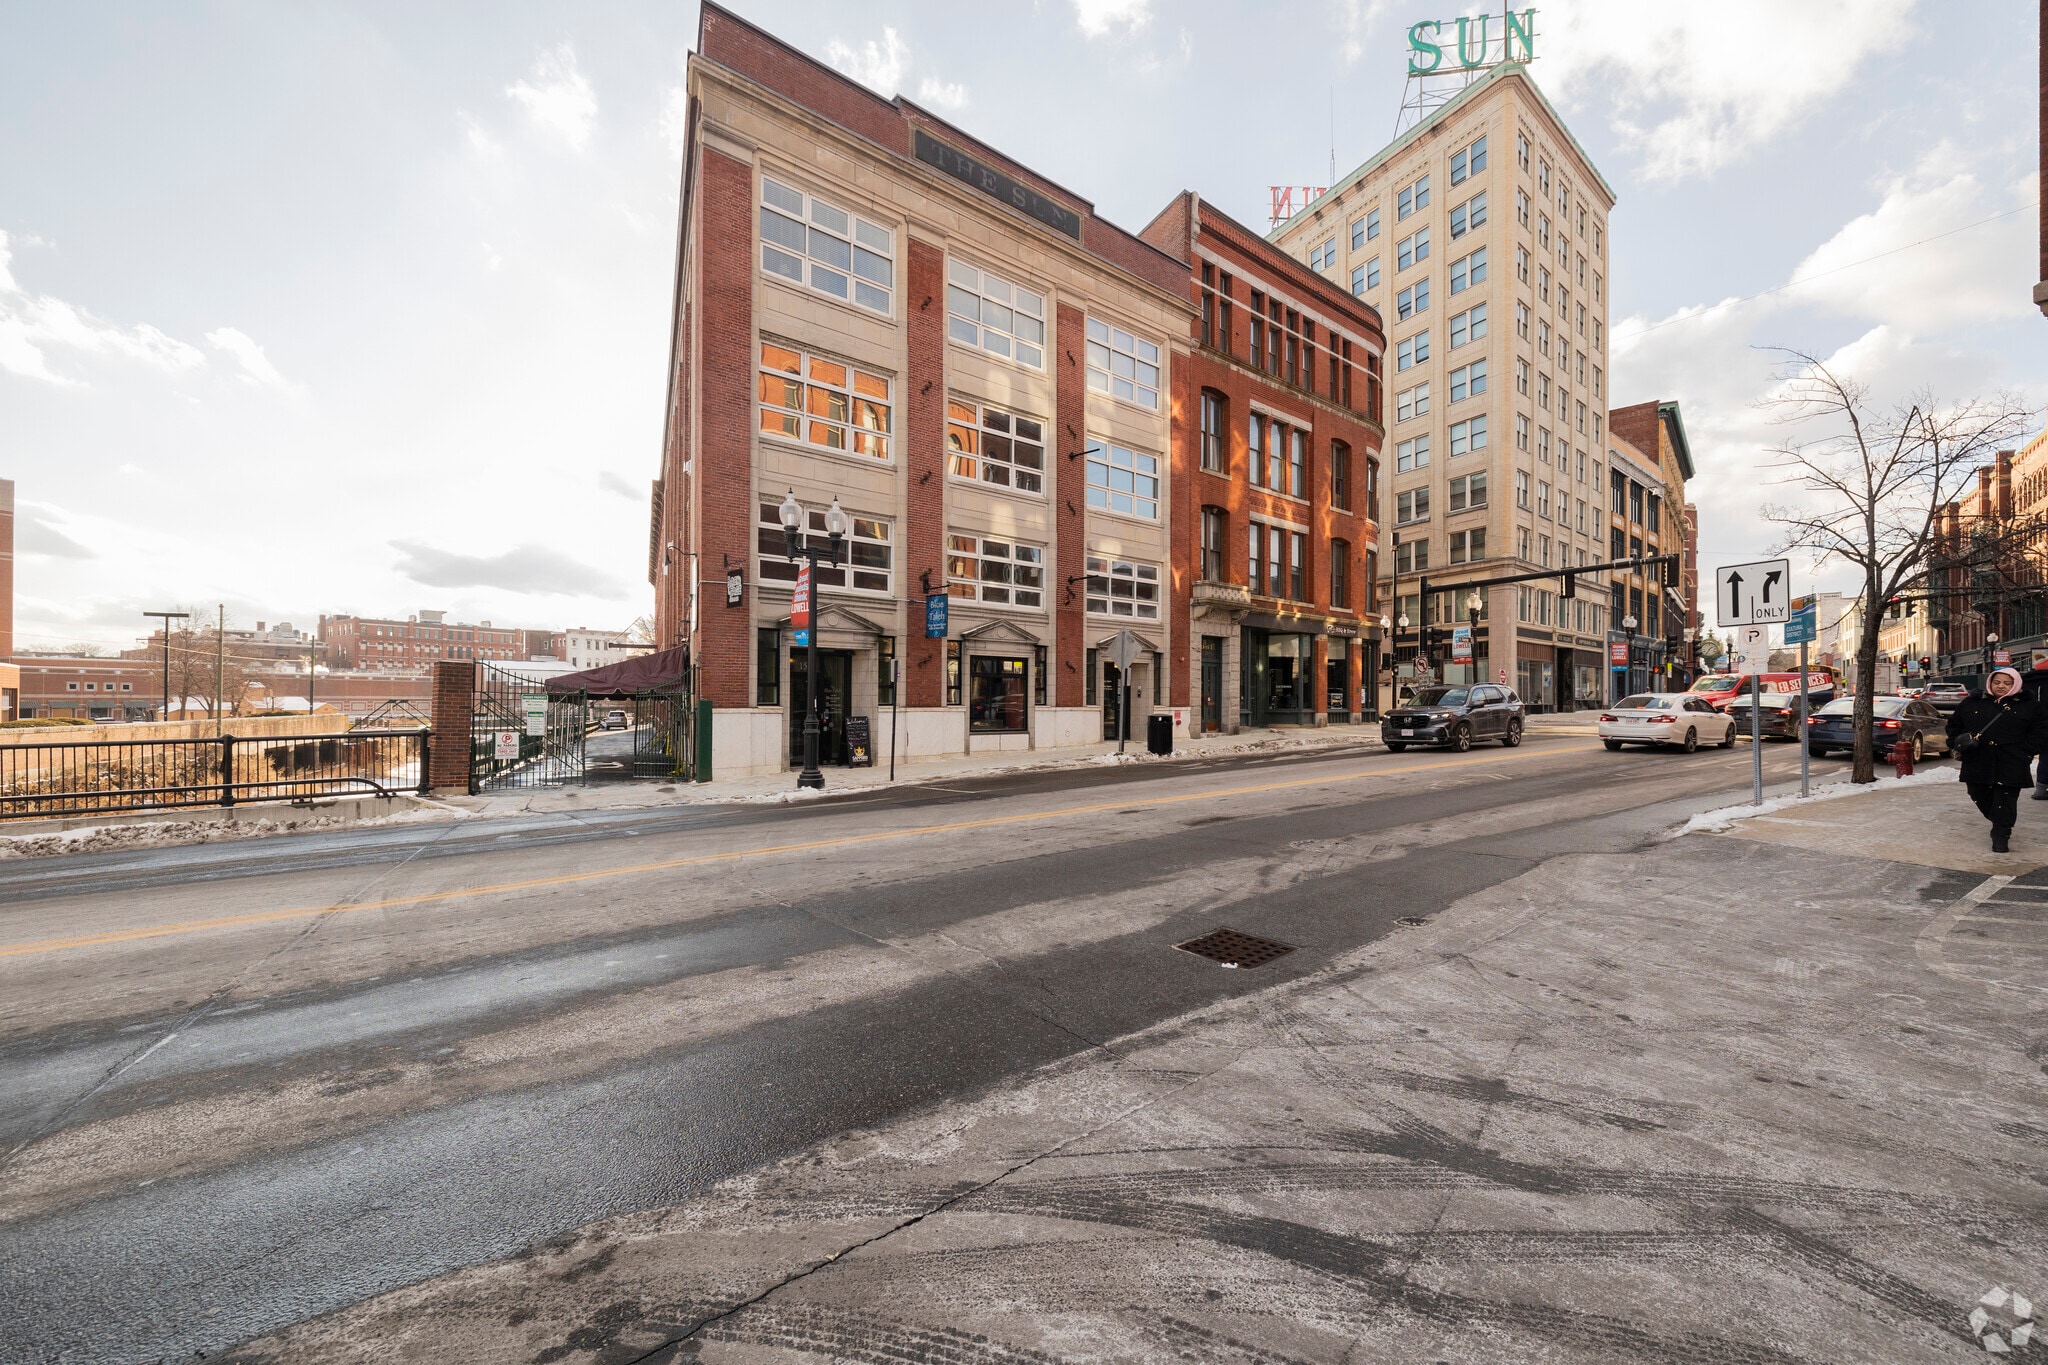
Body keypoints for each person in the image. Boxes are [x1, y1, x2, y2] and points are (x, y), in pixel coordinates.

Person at [1947, 667, 2042, 853]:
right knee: (1977, 792)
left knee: (2005, 799)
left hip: (2012, 760)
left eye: (2007, 683)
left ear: (2016, 684)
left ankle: (2001, 833)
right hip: (1977, 759)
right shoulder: (1973, 702)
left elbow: (2040, 731)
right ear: (1990, 683)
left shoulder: (2030, 706)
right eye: (1997, 682)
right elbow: (1954, 725)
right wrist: (1956, 742)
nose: (2001, 686)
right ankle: (1999, 820)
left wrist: (2027, 752)